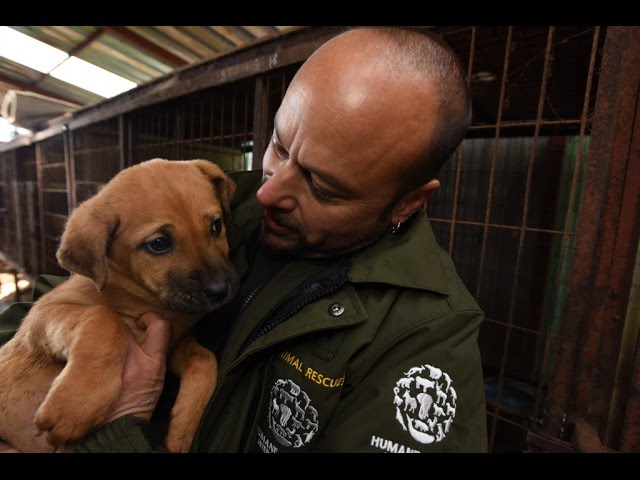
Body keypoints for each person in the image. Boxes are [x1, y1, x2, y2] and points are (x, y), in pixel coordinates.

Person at [0, 26, 487, 453]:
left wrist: (110, 436)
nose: (271, 189)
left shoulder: (425, 336)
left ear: (408, 203)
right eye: (278, 143)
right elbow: (54, 299)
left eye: (321, 186)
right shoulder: (222, 199)